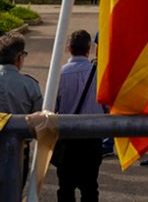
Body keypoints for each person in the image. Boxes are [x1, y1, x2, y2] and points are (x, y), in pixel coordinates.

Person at [55, 30, 105, 202]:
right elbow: (107, 106)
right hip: (92, 138)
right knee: (90, 187)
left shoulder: (59, 74)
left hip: (67, 140)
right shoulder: (100, 74)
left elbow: (51, 108)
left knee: (65, 187)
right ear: (89, 49)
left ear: (69, 48)